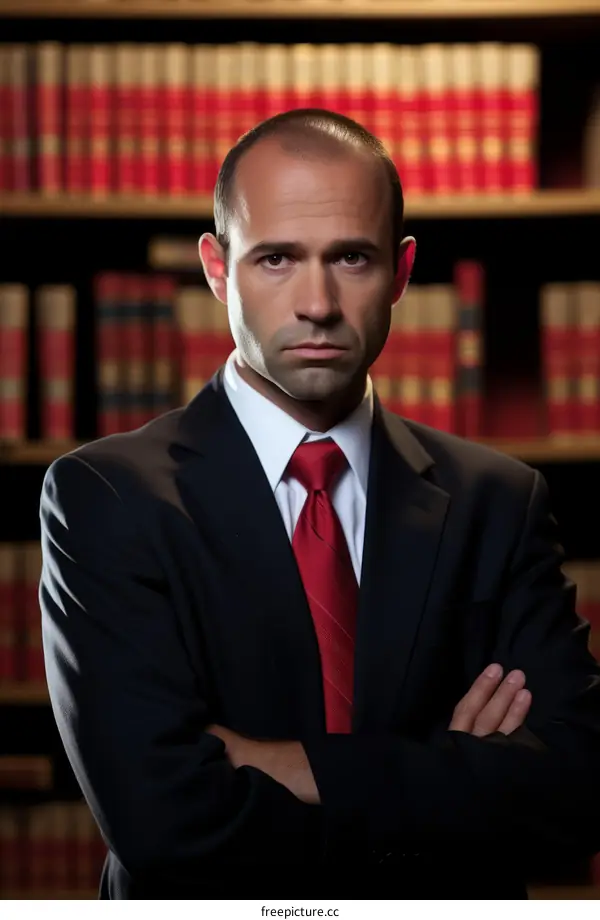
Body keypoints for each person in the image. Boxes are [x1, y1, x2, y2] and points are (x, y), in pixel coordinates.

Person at [39, 109, 600, 900]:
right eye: (275, 259)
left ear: (401, 272)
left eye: (351, 258)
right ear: (217, 268)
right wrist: (451, 786)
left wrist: (283, 764)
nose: (318, 302)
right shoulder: (106, 498)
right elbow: (163, 825)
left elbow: (578, 789)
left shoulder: (498, 501)